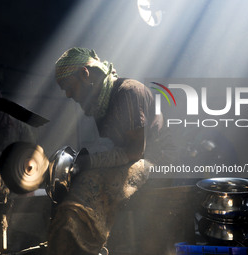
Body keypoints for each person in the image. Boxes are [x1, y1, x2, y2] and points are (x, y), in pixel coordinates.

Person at [48, 47, 176, 254]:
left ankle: (82, 242)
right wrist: (84, 160)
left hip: (159, 161)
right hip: (136, 158)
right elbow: (116, 148)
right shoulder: (101, 105)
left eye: (69, 87)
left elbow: (134, 152)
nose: (69, 95)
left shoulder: (128, 92)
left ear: (84, 73)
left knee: (90, 184)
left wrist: (90, 162)